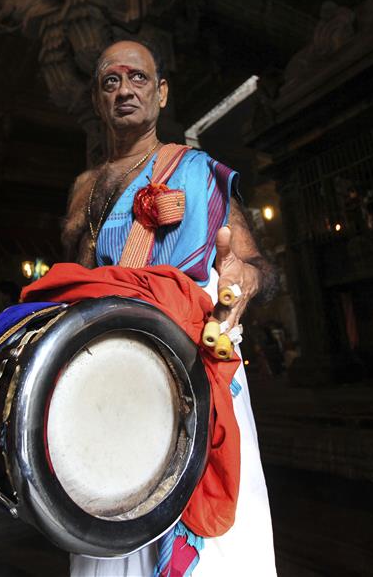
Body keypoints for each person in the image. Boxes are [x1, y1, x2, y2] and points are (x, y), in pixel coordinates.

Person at [59, 40, 278, 576]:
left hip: (195, 359)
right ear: (96, 98)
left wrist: (244, 276)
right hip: (111, 374)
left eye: (138, 78)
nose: (125, 89)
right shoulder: (84, 188)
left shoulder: (196, 169)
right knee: (109, 513)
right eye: (111, 81)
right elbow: (72, 284)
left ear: (161, 93)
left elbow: (255, 265)